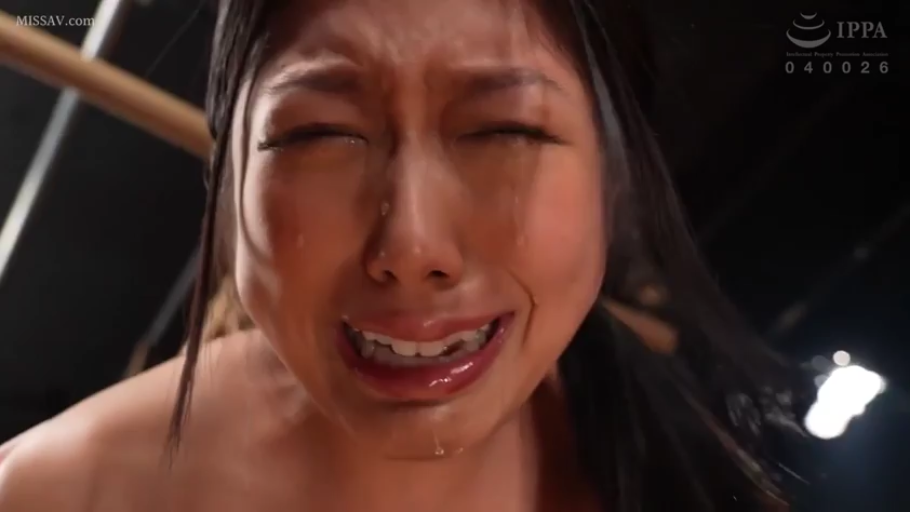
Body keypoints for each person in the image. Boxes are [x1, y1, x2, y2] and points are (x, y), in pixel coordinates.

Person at [0, 0, 804, 510]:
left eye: (505, 130)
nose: (411, 247)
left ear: (613, 180)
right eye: (320, 134)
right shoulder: (55, 493)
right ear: (229, 177)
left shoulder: (689, 471)